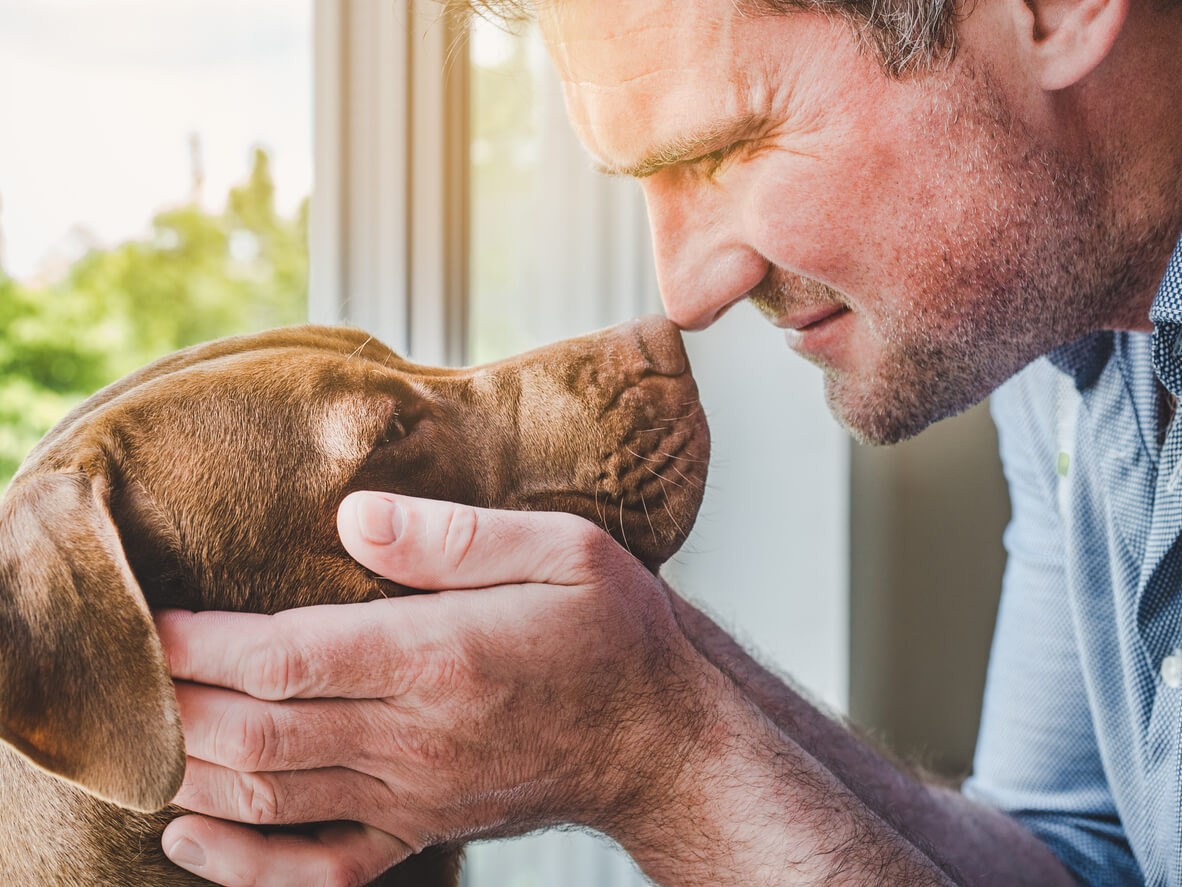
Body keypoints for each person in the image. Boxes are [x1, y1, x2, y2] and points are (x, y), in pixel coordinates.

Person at [153, 0, 1182, 883]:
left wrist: (651, 758)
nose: (684, 296)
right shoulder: (1069, 352)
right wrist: (641, 658)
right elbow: (1085, 858)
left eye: (730, 146)